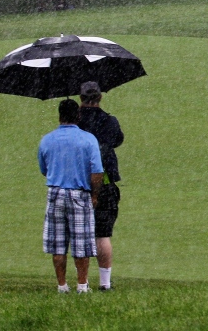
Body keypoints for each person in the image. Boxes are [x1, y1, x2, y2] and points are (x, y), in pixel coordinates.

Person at [38, 99, 103, 293]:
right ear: (78, 115)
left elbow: (44, 169)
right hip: (79, 193)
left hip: (55, 193)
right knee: (81, 243)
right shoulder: (88, 139)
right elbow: (97, 172)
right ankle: (82, 285)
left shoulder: (47, 140)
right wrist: (94, 195)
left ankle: (62, 285)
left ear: (59, 116)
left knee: (58, 245)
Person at [77, 81, 123, 291]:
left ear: (81, 98)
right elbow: (117, 140)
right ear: (100, 97)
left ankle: (81, 283)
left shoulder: (73, 122)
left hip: (77, 183)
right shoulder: (109, 121)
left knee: (79, 233)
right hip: (105, 183)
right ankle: (104, 283)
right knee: (102, 234)